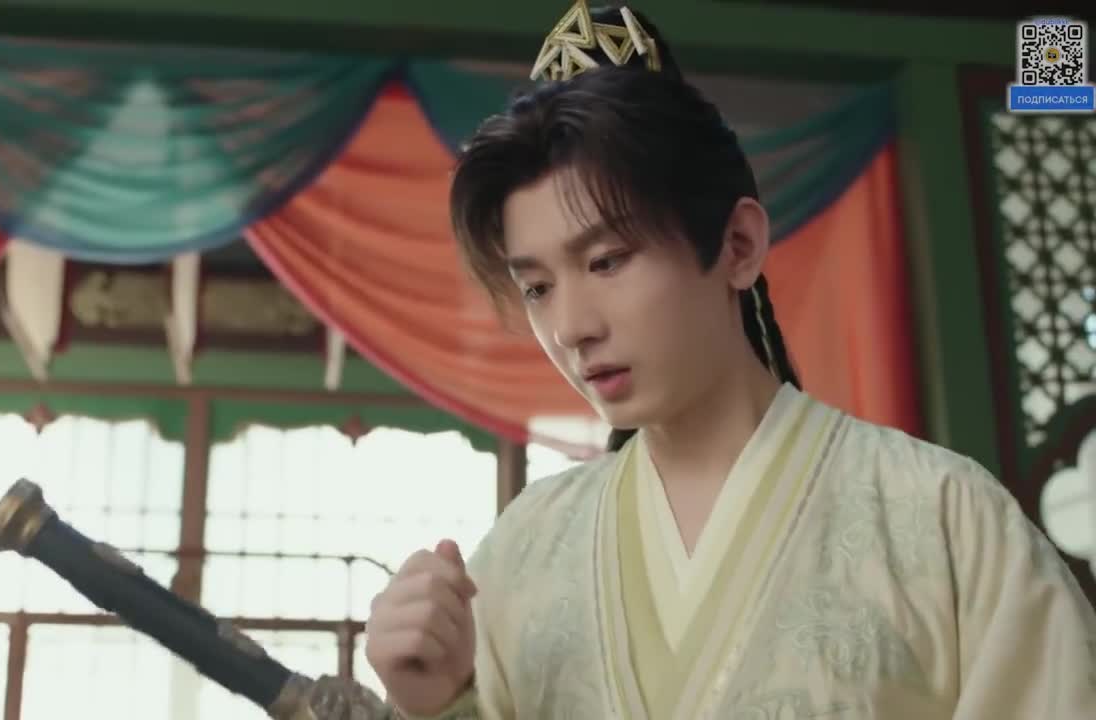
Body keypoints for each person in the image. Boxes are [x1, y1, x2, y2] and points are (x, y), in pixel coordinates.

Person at [363, 3, 1096, 718]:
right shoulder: (523, 549)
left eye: (608, 260)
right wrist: (438, 704)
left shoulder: (944, 517)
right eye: (537, 288)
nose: (571, 327)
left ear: (738, 246)